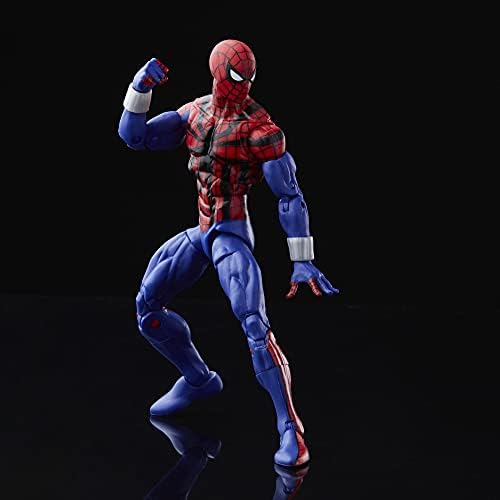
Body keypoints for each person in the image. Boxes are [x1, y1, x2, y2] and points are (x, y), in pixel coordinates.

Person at [118, 39, 338, 467]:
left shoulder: (260, 129)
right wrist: (139, 87)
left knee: (255, 325)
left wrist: (302, 259)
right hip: (201, 230)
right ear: (218, 72)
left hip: (231, 234)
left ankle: (290, 429)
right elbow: (136, 137)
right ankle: (198, 379)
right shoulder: (194, 114)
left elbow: (289, 195)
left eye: (250, 76)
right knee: (147, 308)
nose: (245, 83)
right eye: (238, 74)